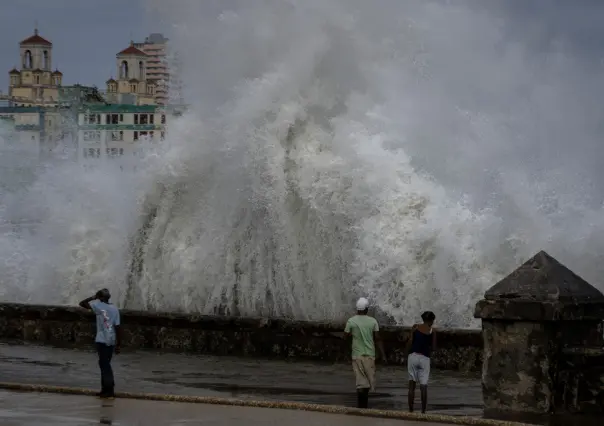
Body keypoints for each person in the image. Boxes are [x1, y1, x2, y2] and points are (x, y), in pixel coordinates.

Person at [344, 297, 386, 409]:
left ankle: (361, 406)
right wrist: (383, 354)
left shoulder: (351, 321)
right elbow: (377, 338)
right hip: (370, 355)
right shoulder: (373, 321)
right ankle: (364, 406)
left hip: (357, 355)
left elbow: (345, 337)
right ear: (367, 309)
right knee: (368, 382)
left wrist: (347, 350)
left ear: (357, 309)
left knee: (360, 381)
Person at [79, 288, 122, 399]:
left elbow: (82, 303)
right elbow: (118, 327)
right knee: (105, 363)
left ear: (100, 297)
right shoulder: (115, 309)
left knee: (104, 365)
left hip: (102, 340)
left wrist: (94, 297)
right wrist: (118, 344)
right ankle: (104, 390)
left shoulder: (98, 307)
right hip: (111, 340)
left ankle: (110, 390)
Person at [406, 311, 436, 413]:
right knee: (423, 386)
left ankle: (410, 410)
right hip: (425, 358)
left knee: (411, 385)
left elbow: (410, 343)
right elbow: (434, 347)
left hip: (413, 356)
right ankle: (423, 411)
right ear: (431, 320)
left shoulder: (415, 327)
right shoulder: (432, 331)